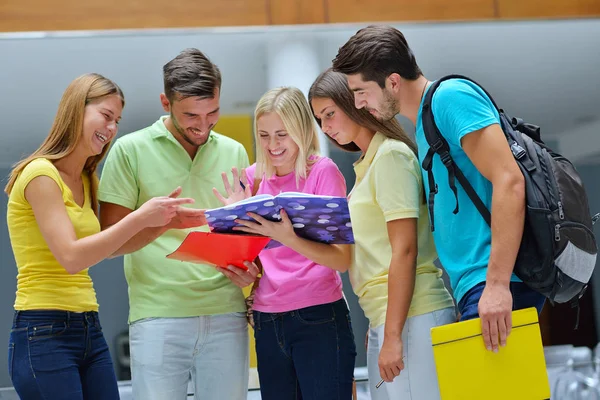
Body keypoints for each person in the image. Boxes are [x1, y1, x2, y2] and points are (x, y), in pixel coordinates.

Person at [332, 25, 546, 354]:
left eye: (361, 91)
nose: (358, 104)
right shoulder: (424, 122)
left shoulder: (450, 98)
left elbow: (509, 180)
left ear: (392, 82)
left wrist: (498, 284)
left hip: (497, 280)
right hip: (475, 286)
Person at [5, 73, 196, 400]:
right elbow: (72, 257)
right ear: (76, 110)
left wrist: (162, 225)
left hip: (88, 329)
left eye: (117, 121)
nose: (111, 129)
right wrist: (139, 216)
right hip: (43, 331)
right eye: (105, 116)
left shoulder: (87, 179)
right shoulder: (40, 174)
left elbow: (108, 248)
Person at [97, 49, 251, 400]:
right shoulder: (129, 150)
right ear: (166, 101)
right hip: (158, 316)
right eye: (190, 114)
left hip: (227, 313)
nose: (203, 124)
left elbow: (245, 234)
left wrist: (249, 265)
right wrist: (161, 223)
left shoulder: (235, 151)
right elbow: (108, 244)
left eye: (212, 112)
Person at [308, 69, 456, 399]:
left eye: (330, 113)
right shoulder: (365, 167)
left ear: (354, 102)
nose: (326, 127)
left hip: (415, 315)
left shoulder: (390, 155)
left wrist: (391, 334)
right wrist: (381, 327)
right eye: (320, 119)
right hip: (389, 319)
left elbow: (405, 251)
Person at [213, 86, 357, 400]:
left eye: (282, 134)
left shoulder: (323, 173)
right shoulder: (250, 179)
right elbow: (247, 262)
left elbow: (342, 260)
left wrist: (287, 237)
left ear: (302, 131)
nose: (273, 145)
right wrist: (235, 228)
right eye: (264, 135)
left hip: (319, 315)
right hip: (266, 320)